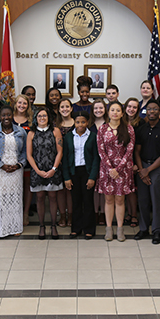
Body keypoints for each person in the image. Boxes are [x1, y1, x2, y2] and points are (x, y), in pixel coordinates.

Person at [0, 106, 27, 242]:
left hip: (15, 170)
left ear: (12, 116)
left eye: (9, 115)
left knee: (14, 198)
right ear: (0, 117)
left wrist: (19, 165)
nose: (6, 118)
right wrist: (1, 165)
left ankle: (14, 227)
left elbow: (25, 151)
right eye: (4, 115)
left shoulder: (21, 132)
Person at [133, 99, 160, 245]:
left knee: (156, 199)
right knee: (142, 199)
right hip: (142, 165)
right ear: (146, 111)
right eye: (149, 109)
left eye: (155, 109)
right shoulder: (141, 129)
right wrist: (142, 170)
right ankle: (143, 229)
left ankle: (156, 230)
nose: (152, 112)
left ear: (159, 112)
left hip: (156, 167)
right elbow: (136, 151)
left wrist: (147, 171)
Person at [97, 101, 135, 242]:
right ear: (108, 112)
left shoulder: (129, 129)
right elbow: (101, 150)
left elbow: (129, 150)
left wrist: (118, 169)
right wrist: (110, 168)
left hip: (123, 170)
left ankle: (120, 229)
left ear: (122, 113)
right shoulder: (102, 129)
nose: (115, 113)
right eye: (112, 110)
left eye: (118, 110)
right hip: (106, 169)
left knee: (120, 199)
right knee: (108, 199)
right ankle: (109, 229)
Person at [62, 111, 100, 239]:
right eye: (77, 122)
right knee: (76, 201)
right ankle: (76, 228)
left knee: (88, 201)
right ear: (74, 122)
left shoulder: (93, 136)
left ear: (87, 123)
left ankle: (89, 229)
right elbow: (65, 158)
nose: (80, 124)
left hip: (87, 172)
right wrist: (66, 177)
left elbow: (96, 158)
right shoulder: (68, 137)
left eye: (83, 122)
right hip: (74, 172)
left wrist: (92, 177)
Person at [27, 108, 63, 239]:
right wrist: (37, 171)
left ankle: (54, 226)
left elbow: (60, 151)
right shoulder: (31, 133)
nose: (42, 118)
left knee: (53, 197)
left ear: (48, 118)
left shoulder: (55, 131)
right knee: (40, 197)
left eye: (45, 116)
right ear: (36, 118)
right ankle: (42, 226)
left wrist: (54, 169)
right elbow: (29, 155)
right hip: (38, 171)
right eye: (40, 116)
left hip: (53, 170)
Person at [123, 97, 145, 227]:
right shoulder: (120, 122)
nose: (131, 109)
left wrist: (137, 163)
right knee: (125, 189)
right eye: (129, 106)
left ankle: (134, 215)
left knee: (133, 190)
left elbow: (141, 145)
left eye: (134, 107)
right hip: (122, 161)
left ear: (138, 110)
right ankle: (129, 213)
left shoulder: (141, 124)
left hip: (135, 160)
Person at [12, 94, 33, 225]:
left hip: (27, 159)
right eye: (19, 103)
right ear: (15, 104)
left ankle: (25, 213)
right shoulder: (9, 118)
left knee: (27, 186)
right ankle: (15, 213)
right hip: (11, 160)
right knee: (14, 187)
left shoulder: (31, 121)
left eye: (24, 103)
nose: (22, 106)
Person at [56, 98, 75, 227]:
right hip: (58, 161)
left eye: (67, 107)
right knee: (60, 190)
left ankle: (71, 215)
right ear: (58, 109)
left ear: (71, 108)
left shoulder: (77, 123)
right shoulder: (55, 124)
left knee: (70, 189)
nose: (65, 109)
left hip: (74, 161)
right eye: (62, 107)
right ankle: (62, 215)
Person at [89, 99, 107, 224]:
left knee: (105, 188)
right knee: (95, 188)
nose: (98, 110)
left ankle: (104, 213)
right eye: (96, 108)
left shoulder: (110, 124)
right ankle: (95, 212)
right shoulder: (89, 124)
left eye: (101, 108)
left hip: (107, 160)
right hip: (92, 160)